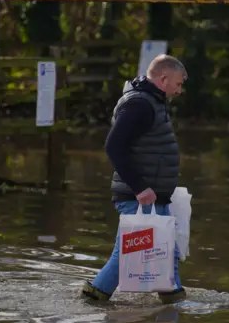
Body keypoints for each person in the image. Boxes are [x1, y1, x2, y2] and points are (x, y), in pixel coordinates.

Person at [80, 54, 188, 304]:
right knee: (127, 254)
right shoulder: (140, 104)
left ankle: (175, 301)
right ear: (163, 78)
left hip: (152, 195)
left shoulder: (152, 101)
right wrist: (140, 187)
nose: (180, 91)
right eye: (178, 84)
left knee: (167, 251)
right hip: (139, 196)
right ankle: (92, 299)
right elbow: (114, 146)